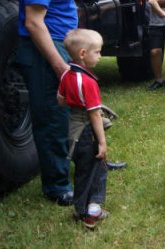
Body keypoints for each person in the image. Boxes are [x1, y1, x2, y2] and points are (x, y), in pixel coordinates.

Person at [17, 0, 92, 205]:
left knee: (74, 112)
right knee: (52, 118)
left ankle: (84, 163)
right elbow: (34, 22)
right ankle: (58, 186)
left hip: (63, 46)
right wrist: (59, 64)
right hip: (46, 51)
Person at [57, 29, 108, 228]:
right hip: (87, 130)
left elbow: (60, 101)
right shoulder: (88, 82)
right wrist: (102, 142)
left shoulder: (66, 75)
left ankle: (79, 210)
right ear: (83, 54)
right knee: (97, 169)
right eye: (97, 52)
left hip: (72, 128)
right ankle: (92, 213)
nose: (100, 56)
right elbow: (95, 114)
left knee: (81, 169)